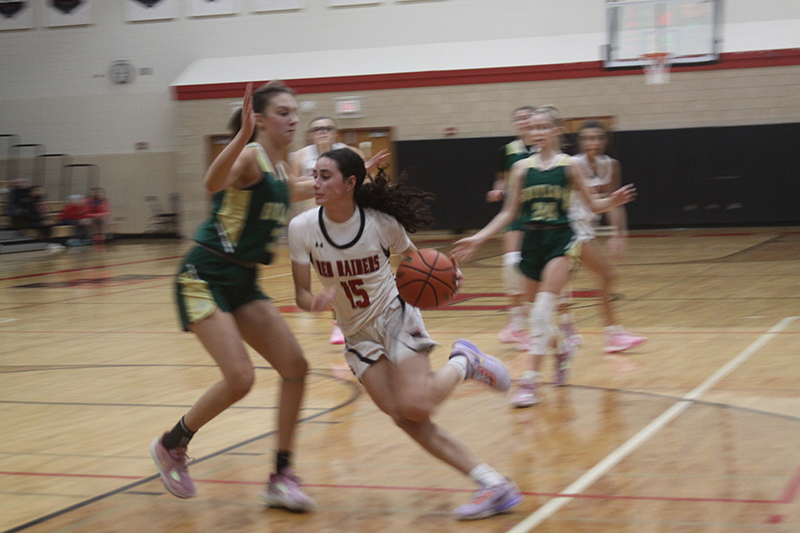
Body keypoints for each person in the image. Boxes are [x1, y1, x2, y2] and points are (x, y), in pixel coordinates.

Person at [288, 148, 523, 520]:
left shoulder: (380, 223)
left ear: (350, 183)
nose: (314, 184)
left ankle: (466, 362)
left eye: (324, 176)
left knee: (415, 405)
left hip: (394, 316)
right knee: (405, 418)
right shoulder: (301, 228)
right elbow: (300, 294)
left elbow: (418, 263)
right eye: (314, 176)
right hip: (356, 335)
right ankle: (494, 485)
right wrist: (313, 302)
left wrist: (448, 273)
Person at [150, 82, 315, 512]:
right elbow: (210, 182)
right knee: (240, 377)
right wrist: (240, 136)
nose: (293, 119)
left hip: (242, 281)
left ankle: (281, 475)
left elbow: (295, 191)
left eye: (295, 111)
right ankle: (172, 444)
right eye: (283, 112)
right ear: (258, 118)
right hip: (204, 274)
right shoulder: (249, 155)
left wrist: (351, 180)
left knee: (295, 367)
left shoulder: (280, 168)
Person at [453, 106, 636, 408]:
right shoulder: (522, 169)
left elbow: (592, 205)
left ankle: (530, 382)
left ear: (555, 132)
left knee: (541, 312)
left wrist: (611, 201)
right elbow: (509, 213)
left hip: (561, 240)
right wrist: (479, 237)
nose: (536, 132)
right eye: (533, 128)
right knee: (530, 315)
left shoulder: (569, 166)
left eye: (542, 127)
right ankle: (560, 348)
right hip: (532, 241)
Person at [290, 116, 388, 346]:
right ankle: (341, 322)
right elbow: (292, 188)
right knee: (330, 277)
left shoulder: (350, 153)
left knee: (351, 273)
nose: (322, 132)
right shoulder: (300, 156)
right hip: (315, 223)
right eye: (316, 129)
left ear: (336, 133)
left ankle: (370, 317)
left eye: (327, 128)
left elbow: (364, 184)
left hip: (346, 219)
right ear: (309, 134)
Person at [562, 121, 647, 353]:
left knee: (561, 284)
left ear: (605, 140)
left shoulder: (611, 165)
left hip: (588, 228)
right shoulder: (573, 164)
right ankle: (612, 334)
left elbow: (615, 203)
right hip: (570, 228)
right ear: (581, 142)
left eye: (598, 138)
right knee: (607, 276)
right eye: (589, 138)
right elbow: (596, 203)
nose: (594, 143)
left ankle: (566, 327)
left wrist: (618, 234)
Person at [486, 106, 537, 348]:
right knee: (512, 265)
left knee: (536, 270)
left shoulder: (544, 147)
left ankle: (522, 324)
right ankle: (516, 324)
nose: (523, 121)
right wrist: (497, 188)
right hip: (516, 212)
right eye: (519, 118)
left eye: (527, 116)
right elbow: (500, 177)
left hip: (541, 213)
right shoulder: (507, 150)